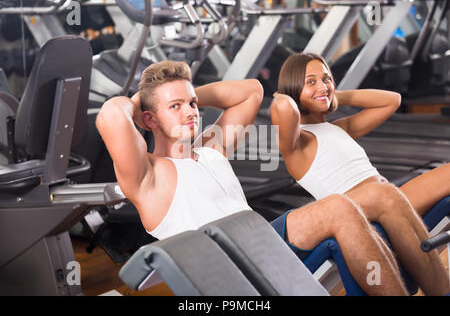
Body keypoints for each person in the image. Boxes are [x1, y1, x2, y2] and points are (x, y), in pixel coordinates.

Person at [97, 60, 417, 296]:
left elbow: (251, 91)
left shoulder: (212, 148)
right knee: (339, 209)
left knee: (343, 213)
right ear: (149, 118)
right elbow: (112, 114)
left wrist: (183, 94)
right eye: (176, 107)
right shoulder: (149, 177)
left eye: (192, 104)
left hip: (265, 245)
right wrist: (143, 101)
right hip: (230, 270)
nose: (191, 111)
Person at [270, 52, 450, 296]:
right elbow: (282, 108)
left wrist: (332, 95)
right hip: (358, 214)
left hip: (390, 198)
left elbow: (392, 101)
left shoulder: (339, 128)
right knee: (383, 193)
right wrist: (289, 97)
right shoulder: (298, 143)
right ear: (293, 89)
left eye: (326, 79)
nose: (322, 85)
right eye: (310, 81)